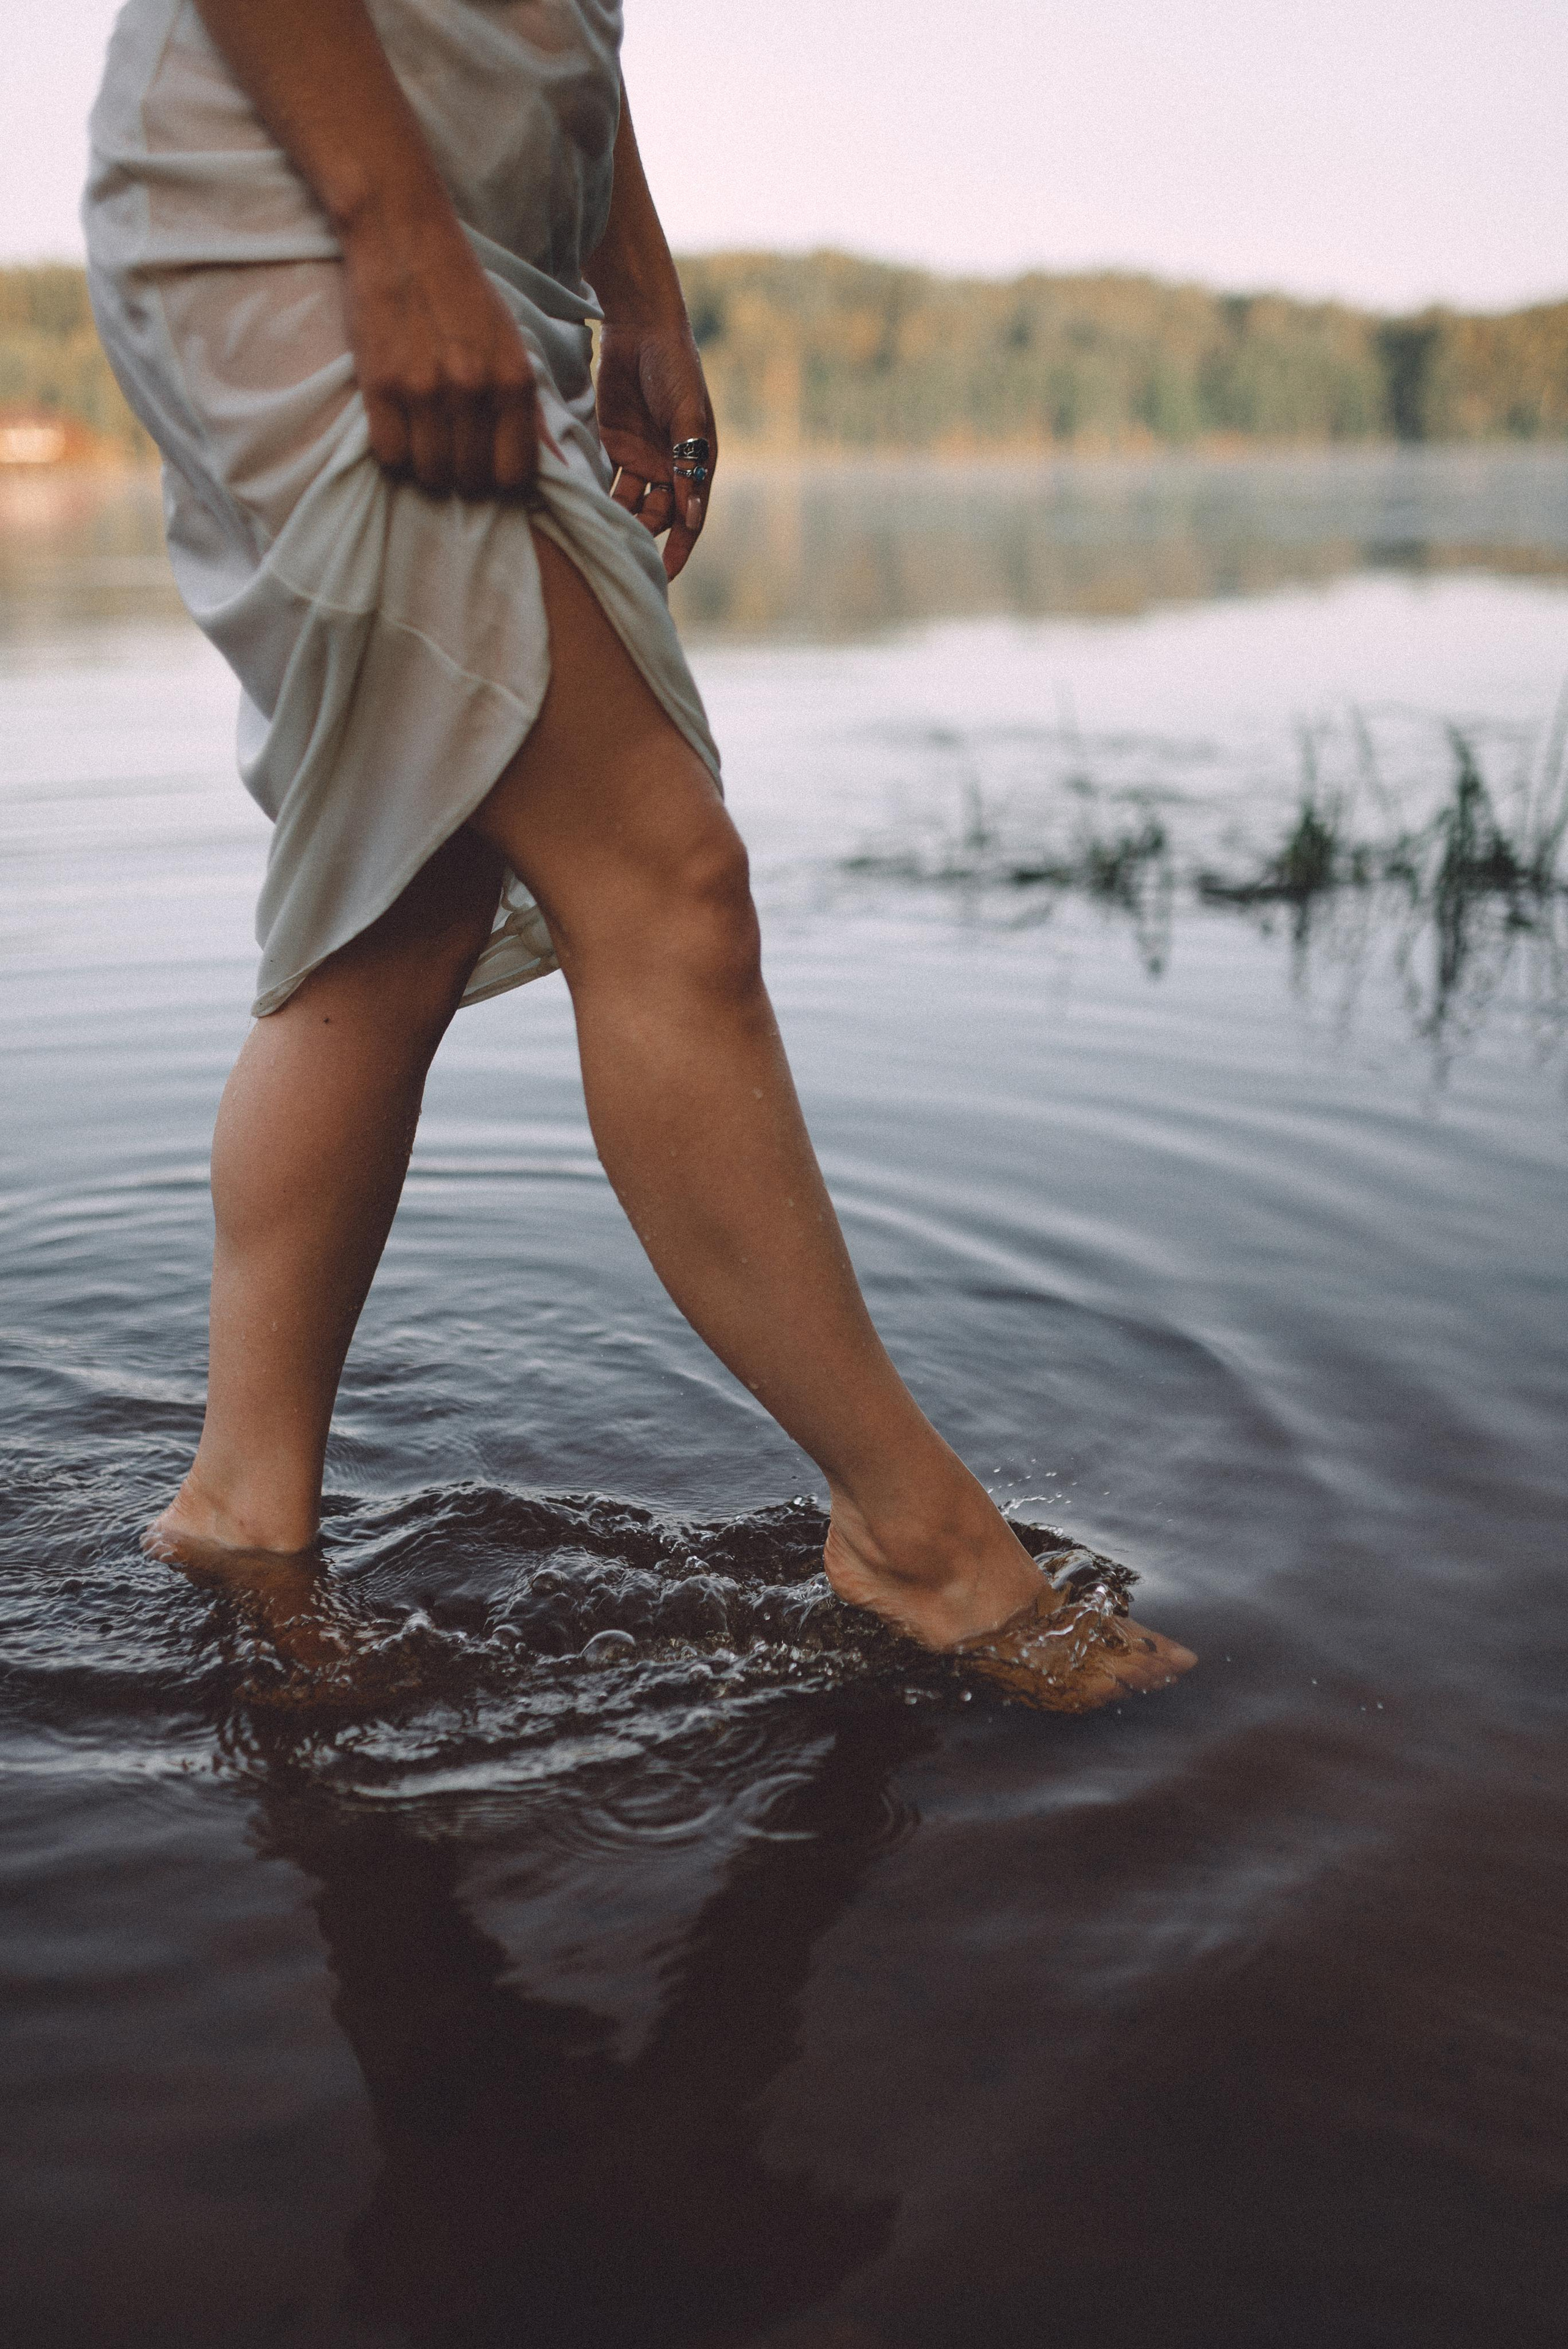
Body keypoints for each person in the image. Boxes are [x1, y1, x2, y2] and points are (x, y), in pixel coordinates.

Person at [83, 0, 1194, 1711]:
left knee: (413, 890)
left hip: (466, 236)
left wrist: (638, 292)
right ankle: (922, 1540)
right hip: (312, 200)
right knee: (670, 878)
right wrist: (391, 235)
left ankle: (244, 1508)